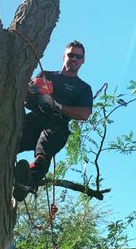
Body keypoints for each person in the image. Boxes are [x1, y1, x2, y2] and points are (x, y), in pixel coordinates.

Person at [13, 40, 93, 201]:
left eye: (78, 56)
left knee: (45, 147)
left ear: (83, 60)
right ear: (64, 56)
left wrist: (57, 105)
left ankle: (28, 180)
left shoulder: (83, 88)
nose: (74, 59)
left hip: (57, 124)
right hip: (35, 118)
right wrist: (30, 93)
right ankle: (3, 169)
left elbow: (84, 113)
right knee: (11, 142)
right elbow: (27, 97)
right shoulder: (46, 75)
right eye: (71, 55)